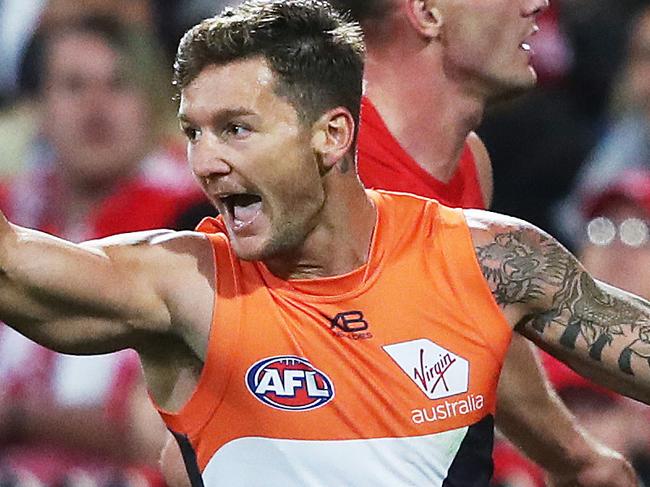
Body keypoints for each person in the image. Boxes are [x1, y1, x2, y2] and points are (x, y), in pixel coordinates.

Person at [0, 1, 648, 484]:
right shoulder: (190, 281)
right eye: (193, 133)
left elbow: (462, 329)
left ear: (333, 137)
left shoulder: (483, 240)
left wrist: (577, 458)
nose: (204, 163)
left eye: (236, 129)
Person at [0, 14, 207, 486]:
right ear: (38, 107)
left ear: (154, 104)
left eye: (118, 85)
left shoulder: (196, 219)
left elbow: (159, 434)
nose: (96, 107)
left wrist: (18, 418)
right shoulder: (10, 209)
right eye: (74, 86)